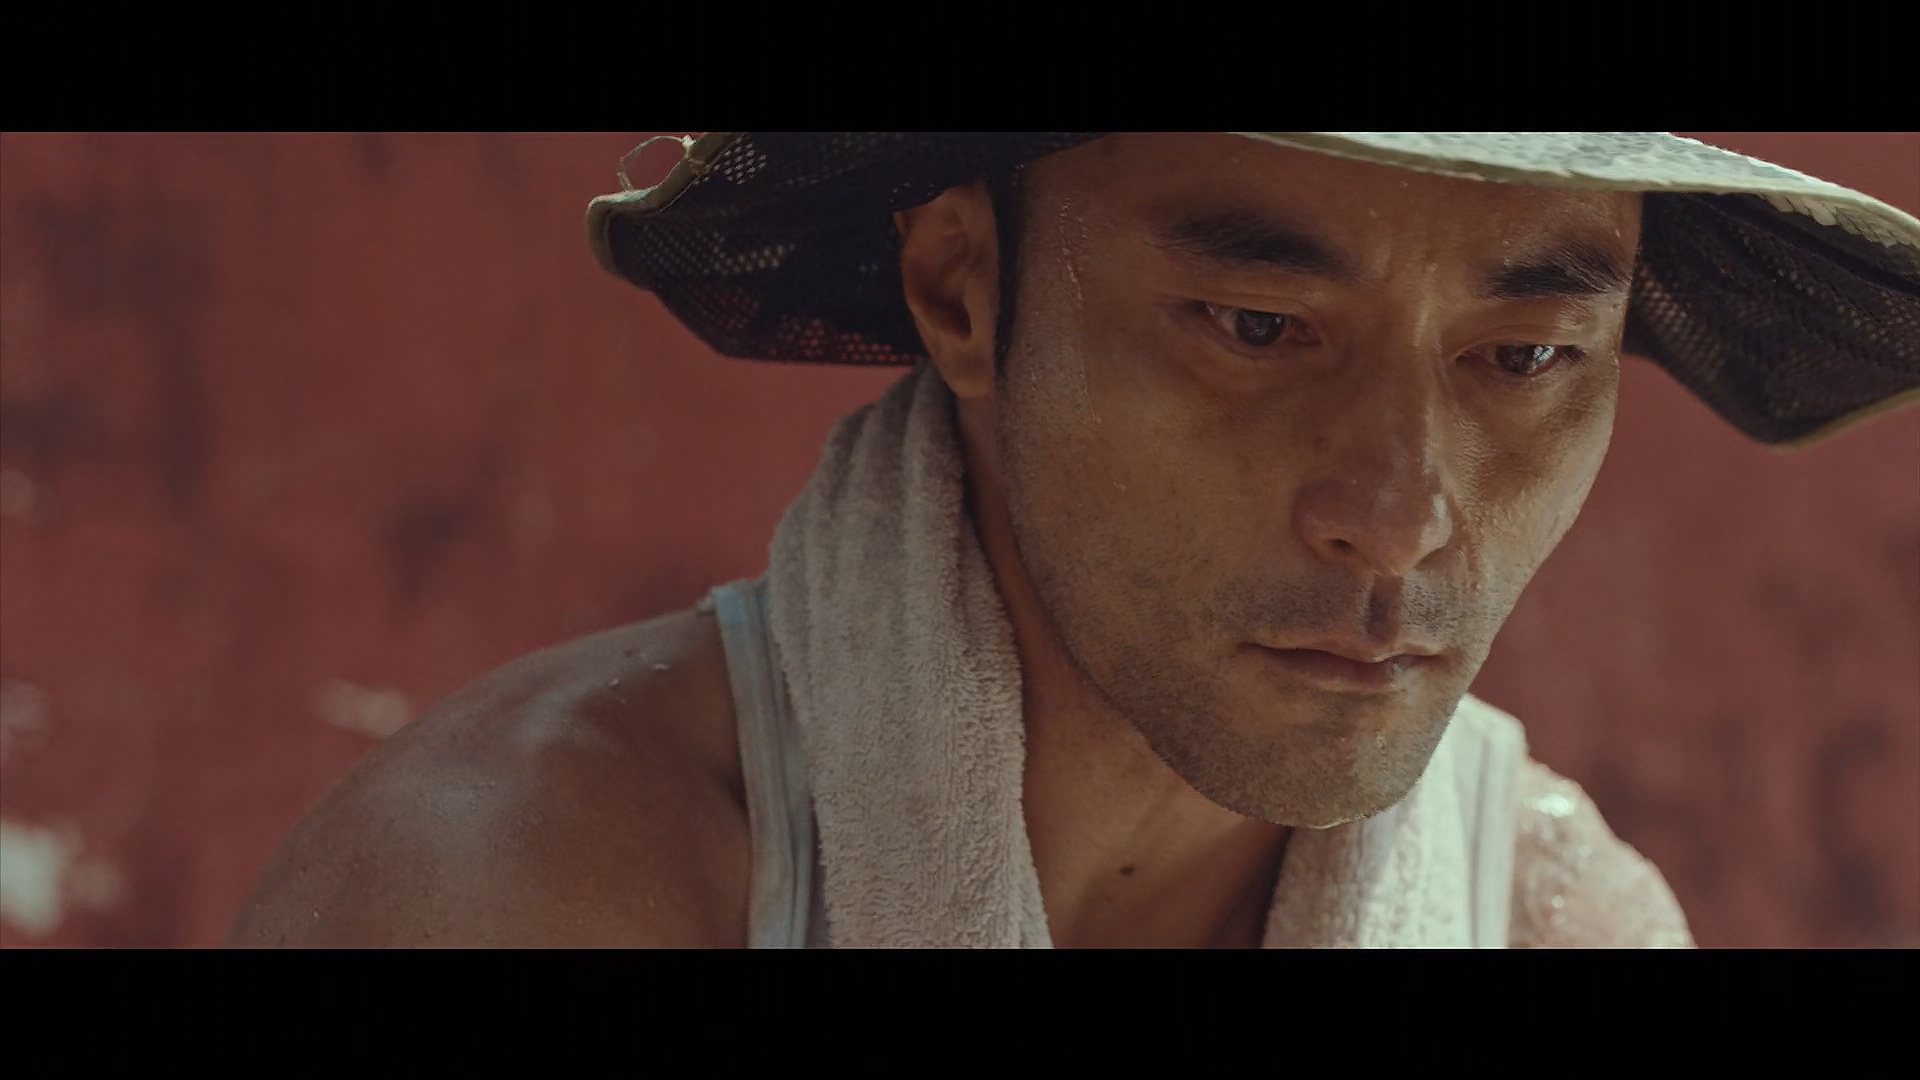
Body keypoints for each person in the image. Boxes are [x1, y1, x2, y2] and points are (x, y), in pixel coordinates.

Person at [230, 133, 1920, 948]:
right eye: (1258, 327)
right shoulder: (514, 894)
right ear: (962, 291)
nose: (1402, 514)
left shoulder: (1550, 928)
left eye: (1530, 358)